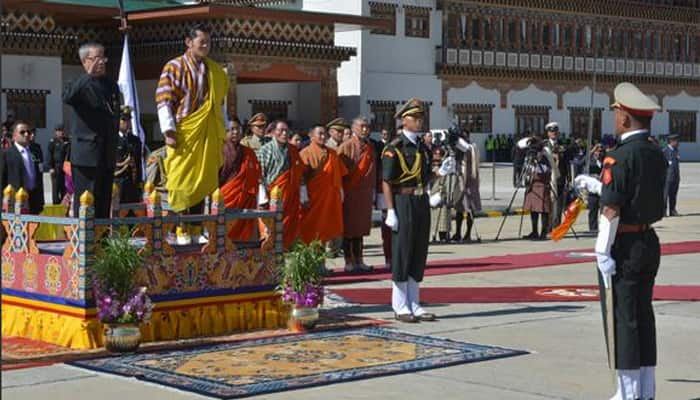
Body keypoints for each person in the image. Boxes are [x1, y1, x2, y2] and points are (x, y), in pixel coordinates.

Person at [575, 82, 666, 400]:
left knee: (623, 318)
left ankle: (627, 392)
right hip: (648, 240)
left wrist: (602, 249)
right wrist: (601, 186)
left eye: (616, 113)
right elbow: (636, 193)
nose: (614, 118)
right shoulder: (656, 152)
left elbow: (612, 209)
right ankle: (645, 388)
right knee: (644, 315)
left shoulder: (619, 156)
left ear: (626, 118)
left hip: (624, 246)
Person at [382, 98, 454, 323]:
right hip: (402, 201)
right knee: (403, 251)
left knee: (418, 251)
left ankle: (415, 303)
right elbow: (386, 181)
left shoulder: (422, 147)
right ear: (405, 121)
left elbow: (424, 177)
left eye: (421, 118)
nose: (420, 121)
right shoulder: (394, 148)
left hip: (421, 200)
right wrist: (390, 210)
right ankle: (400, 305)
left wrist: (440, 173)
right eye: (415, 118)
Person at [156, 24, 229, 243]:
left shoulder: (214, 70)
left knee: (203, 181)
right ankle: (180, 228)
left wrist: (222, 131)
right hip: (183, 133)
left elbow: (219, 104)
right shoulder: (174, 66)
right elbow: (163, 100)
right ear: (189, 42)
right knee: (181, 181)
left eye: (208, 42)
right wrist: (169, 130)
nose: (206, 46)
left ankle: (196, 229)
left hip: (207, 133)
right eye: (201, 42)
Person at [63, 42, 121, 218]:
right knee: (86, 201)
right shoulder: (78, 84)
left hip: (107, 153)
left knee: (104, 202)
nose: (102, 62)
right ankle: (84, 242)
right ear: (84, 61)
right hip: (86, 155)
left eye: (103, 57)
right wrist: (88, 75)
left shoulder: (111, 85)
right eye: (96, 58)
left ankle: (101, 241)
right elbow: (68, 97)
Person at [257, 120, 306, 250]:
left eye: (286, 131)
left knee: (290, 226)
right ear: (273, 132)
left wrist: (303, 195)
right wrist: (262, 198)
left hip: (291, 196)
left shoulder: (293, 150)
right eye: (281, 130)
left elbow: (300, 174)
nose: (284, 133)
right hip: (273, 196)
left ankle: (286, 250)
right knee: (272, 227)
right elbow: (259, 176)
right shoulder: (265, 150)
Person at [337, 116, 377, 273]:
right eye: (361, 126)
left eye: (367, 126)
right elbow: (339, 172)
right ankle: (349, 261)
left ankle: (360, 260)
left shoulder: (370, 147)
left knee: (361, 229)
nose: (365, 129)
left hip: (364, 193)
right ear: (353, 128)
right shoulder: (346, 146)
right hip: (350, 192)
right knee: (349, 229)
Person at [299, 124, 348, 245]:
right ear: (311, 136)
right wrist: (303, 195)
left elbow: (338, 174)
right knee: (312, 228)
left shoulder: (332, 153)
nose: (323, 136)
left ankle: (327, 252)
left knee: (328, 227)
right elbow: (301, 177)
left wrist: (340, 190)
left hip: (330, 197)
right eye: (319, 134)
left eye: (324, 134)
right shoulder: (305, 153)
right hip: (313, 198)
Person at [219, 117, 262, 241]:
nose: (235, 132)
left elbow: (256, 173)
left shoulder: (248, 152)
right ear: (225, 131)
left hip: (245, 197)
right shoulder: (219, 150)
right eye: (231, 129)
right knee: (224, 231)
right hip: (226, 195)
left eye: (237, 129)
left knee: (244, 233)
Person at [0, 121, 45, 214]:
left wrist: (41, 200)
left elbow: (39, 177)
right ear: (14, 135)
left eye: (28, 132)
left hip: (33, 199)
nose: (26, 134)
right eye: (22, 132)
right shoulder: (7, 154)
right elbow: (2, 180)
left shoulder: (35, 151)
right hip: (16, 201)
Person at [518, 132, 553, 240]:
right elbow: (526, 168)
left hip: (542, 184)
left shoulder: (545, 156)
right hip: (532, 185)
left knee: (543, 209)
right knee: (533, 209)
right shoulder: (530, 155)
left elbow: (546, 170)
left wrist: (537, 162)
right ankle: (534, 231)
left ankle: (544, 231)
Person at [453, 128, 481, 242]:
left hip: (470, 181)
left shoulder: (471, 147)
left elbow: (472, 160)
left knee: (470, 208)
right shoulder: (459, 148)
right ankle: (458, 232)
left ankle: (468, 233)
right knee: (459, 209)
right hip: (460, 180)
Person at [544, 121, 571, 229]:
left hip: (560, 178)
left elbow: (567, 163)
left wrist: (569, 177)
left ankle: (556, 226)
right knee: (548, 203)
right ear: (548, 133)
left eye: (555, 131)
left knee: (558, 203)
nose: (554, 133)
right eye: (551, 131)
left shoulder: (563, 146)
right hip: (547, 178)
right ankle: (547, 226)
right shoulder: (544, 146)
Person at [114, 106, 143, 204]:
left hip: (132, 184)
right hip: (117, 183)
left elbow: (138, 163)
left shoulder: (135, 140)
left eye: (129, 120)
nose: (127, 123)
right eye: (124, 120)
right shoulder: (113, 140)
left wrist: (139, 184)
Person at [47, 124, 70, 205]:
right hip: (56, 168)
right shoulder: (52, 142)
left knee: (64, 187)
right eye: (59, 131)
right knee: (56, 188)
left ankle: (64, 205)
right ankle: (56, 205)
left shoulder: (67, 141)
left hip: (65, 168)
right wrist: (50, 167)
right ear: (56, 132)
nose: (61, 132)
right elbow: (49, 155)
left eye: (62, 130)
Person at [587, 144, 604, 232]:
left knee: (603, 210)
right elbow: (581, 161)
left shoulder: (605, 160)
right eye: (597, 151)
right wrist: (592, 151)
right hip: (593, 190)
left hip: (603, 189)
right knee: (593, 210)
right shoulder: (590, 161)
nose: (599, 153)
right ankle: (593, 228)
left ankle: (602, 228)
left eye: (601, 151)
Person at [663, 134, 680, 216]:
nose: (678, 143)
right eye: (676, 141)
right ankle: (663, 211)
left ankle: (672, 210)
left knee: (673, 194)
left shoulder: (675, 150)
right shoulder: (665, 151)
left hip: (676, 177)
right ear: (671, 141)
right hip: (667, 177)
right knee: (665, 195)